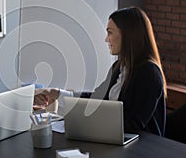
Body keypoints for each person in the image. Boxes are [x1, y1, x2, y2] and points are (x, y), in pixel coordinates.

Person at [34, 7, 167, 136]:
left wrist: (85, 121)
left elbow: (133, 123)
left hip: (142, 149)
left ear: (127, 35)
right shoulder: (119, 66)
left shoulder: (149, 72)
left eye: (110, 32)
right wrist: (56, 93)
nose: (106, 39)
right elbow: (97, 99)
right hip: (115, 141)